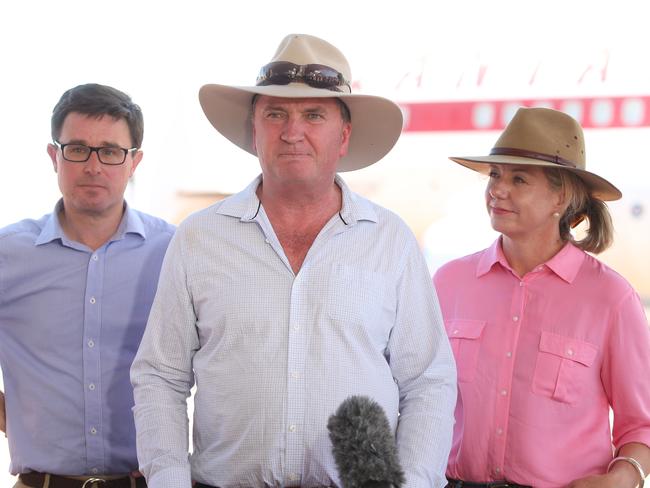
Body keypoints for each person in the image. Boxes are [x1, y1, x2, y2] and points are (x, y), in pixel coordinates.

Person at [130, 33, 457, 488]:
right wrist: (168, 480)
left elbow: (429, 381)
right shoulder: (199, 239)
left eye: (314, 115)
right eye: (275, 113)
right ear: (254, 130)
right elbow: (160, 376)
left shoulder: (391, 241)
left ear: (343, 136)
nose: (291, 131)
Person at [433, 107, 650, 488]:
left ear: (560, 197)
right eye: (496, 176)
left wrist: (622, 478)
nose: (498, 190)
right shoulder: (448, 283)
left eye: (519, 179)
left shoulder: (611, 299)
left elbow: (642, 426)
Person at [0, 83, 175, 488]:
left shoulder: (173, 252)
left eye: (111, 152)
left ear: (134, 162)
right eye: (77, 149)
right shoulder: (9, 255)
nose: (93, 167)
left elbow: (217, 365)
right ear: (54, 156)